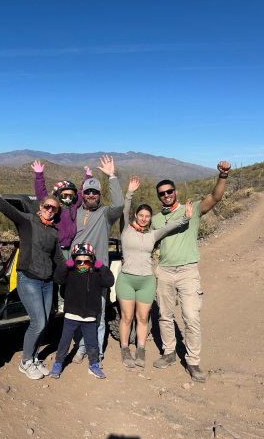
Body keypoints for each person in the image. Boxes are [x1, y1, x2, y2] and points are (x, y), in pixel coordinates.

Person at [0, 170, 64, 380]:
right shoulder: (27, 221)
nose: (50, 210)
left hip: (47, 282)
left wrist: (65, 275)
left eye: (54, 209)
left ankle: (33, 358)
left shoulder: (53, 232)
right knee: (38, 322)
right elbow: (6, 209)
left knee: (45, 321)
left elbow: (58, 258)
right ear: (40, 207)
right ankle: (25, 362)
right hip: (29, 279)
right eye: (47, 206)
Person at [151, 161, 232, 383]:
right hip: (165, 271)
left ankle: (193, 361)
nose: (166, 195)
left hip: (187, 271)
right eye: (162, 194)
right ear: (159, 197)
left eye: (169, 191)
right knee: (165, 315)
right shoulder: (156, 219)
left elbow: (215, 198)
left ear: (175, 192)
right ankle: (169, 353)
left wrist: (223, 176)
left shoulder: (193, 208)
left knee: (191, 317)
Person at [116, 176, 192, 369]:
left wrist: (186, 217)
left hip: (146, 281)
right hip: (126, 279)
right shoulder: (126, 230)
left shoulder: (152, 234)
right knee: (127, 317)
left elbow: (169, 226)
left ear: (150, 219)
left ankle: (140, 349)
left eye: (147, 216)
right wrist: (130, 193)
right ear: (136, 216)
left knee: (143, 318)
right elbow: (124, 209)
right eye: (141, 215)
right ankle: (125, 349)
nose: (144, 218)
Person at [72, 155, 125, 364]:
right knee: (77, 315)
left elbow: (119, 204)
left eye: (95, 192)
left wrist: (112, 176)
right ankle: (81, 347)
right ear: (83, 194)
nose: (91, 195)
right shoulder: (74, 214)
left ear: (99, 194)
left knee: (98, 315)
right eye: (88, 192)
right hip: (76, 273)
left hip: (96, 273)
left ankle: (96, 352)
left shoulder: (105, 214)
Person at [49, 243, 115, 379]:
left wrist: (101, 267)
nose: (83, 264)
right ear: (73, 260)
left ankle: (94, 365)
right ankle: (58, 363)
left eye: (86, 261)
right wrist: (64, 266)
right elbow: (57, 278)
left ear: (92, 260)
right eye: (79, 261)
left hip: (90, 317)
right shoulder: (70, 273)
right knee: (64, 341)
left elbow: (109, 281)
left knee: (92, 343)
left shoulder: (97, 274)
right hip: (71, 315)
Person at [31, 160, 92, 258]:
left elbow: (81, 192)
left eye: (71, 196)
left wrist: (88, 178)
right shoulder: (55, 207)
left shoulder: (74, 205)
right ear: (58, 195)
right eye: (64, 195)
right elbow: (41, 194)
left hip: (70, 247)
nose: (68, 198)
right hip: (56, 247)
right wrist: (39, 175)